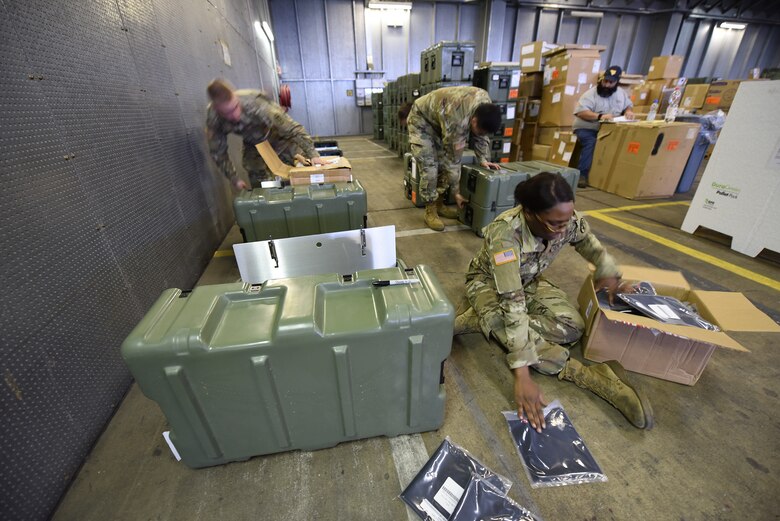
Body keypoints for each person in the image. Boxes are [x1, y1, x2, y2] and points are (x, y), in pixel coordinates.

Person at [455, 173, 654, 431]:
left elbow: (590, 245)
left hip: (529, 279)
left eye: (566, 221)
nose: (563, 228)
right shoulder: (505, 235)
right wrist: (522, 373)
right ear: (529, 213)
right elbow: (512, 302)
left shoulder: (563, 218)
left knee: (572, 326)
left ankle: (483, 321)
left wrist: (611, 276)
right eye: (555, 224)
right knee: (505, 319)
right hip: (489, 284)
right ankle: (587, 375)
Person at [403, 86, 503, 231]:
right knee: (430, 167)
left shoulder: (485, 104)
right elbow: (453, 160)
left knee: (443, 164)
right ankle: (430, 210)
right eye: (479, 131)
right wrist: (456, 192)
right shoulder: (458, 120)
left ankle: (439, 204)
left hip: (440, 119)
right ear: (473, 121)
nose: (480, 134)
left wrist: (483, 159)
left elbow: (481, 137)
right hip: (421, 120)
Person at [205, 79, 323, 190]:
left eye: (235, 107)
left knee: (296, 170)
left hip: (278, 136)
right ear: (217, 109)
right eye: (227, 113)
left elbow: (292, 129)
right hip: (254, 143)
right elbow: (218, 152)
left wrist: (313, 154)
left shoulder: (256, 104)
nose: (234, 115)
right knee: (258, 179)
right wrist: (233, 178)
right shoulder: (214, 117)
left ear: (236, 98)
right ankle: (270, 201)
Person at [573, 66, 634, 188]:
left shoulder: (621, 94)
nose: (606, 85)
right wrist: (600, 116)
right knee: (592, 142)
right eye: (605, 81)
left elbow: (628, 105)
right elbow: (581, 112)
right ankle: (582, 175)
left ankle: (611, 176)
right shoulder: (590, 94)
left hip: (609, 128)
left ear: (617, 82)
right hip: (587, 127)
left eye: (610, 82)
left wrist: (628, 111)